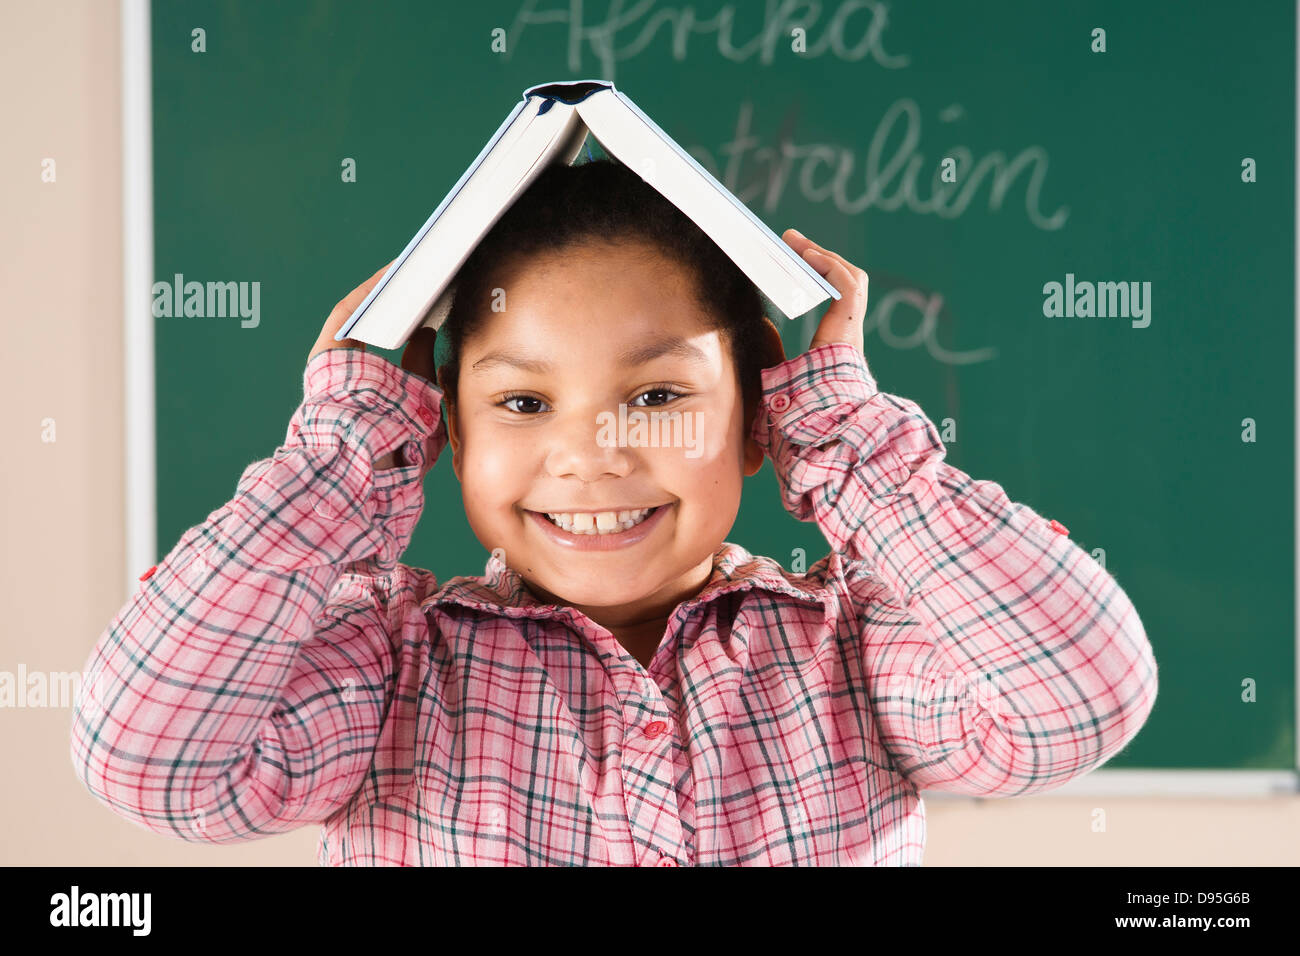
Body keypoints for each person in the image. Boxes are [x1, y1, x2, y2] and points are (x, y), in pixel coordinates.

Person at [70, 159, 1157, 866]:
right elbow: (149, 765)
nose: (591, 452)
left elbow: (1078, 699)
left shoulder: (850, 656)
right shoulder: (392, 670)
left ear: (757, 422)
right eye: (524, 401)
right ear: (446, 431)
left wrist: (843, 427)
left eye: (657, 393)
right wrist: (345, 451)